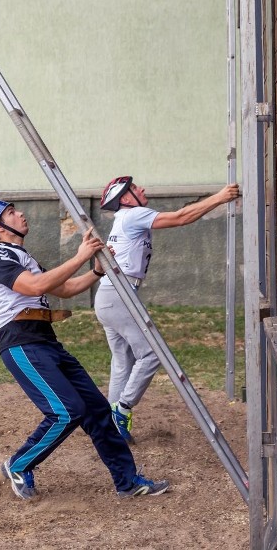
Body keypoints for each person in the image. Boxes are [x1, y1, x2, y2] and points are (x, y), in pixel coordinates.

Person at [0, 199, 169, 500]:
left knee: (97, 411)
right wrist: (80, 255)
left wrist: (94, 271)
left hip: (45, 340)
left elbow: (64, 289)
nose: (21, 213)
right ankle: (18, 464)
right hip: (21, 343)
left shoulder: (21, 255)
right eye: (12, 213)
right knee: (66, 412)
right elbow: (36, 287)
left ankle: (127, 482)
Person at [95, 176, 240, 444]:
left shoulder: (122, 219)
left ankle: (111, 425)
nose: (142, 189)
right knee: (152, 353)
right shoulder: (133, 214)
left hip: (108, 295)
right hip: (118, 294)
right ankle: (123, 408)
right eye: (136, 188)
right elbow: (181, 217)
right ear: (126, 199)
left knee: (122, 360)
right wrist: (220, 197)